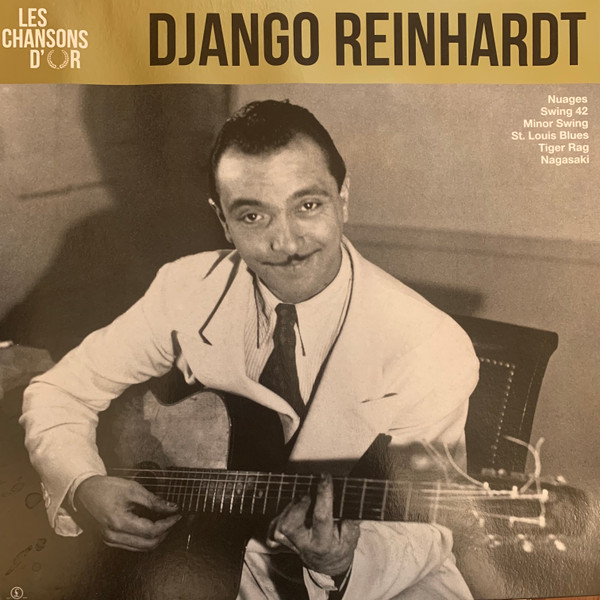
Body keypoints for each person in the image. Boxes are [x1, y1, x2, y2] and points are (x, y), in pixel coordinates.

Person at [20, 99, 479, 599]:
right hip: (209, 567)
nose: (287, 242)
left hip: (385, 584)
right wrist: (83, 485)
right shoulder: (185, 287)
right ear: (222, 220)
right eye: (253, 215)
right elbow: (59, 391)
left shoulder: (428, 342)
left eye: (308, 206)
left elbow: (428, 528)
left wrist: (342, 560)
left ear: (343, 198)